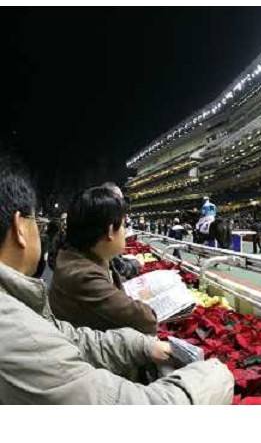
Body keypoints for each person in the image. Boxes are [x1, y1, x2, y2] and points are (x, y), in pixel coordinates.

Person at [0, 156, 233, 404]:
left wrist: (141, 346)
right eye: (35, 220)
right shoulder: (22, 326)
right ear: (20, 228)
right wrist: (217, 376)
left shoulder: (23, 307)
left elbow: (69, 336)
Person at [49, 187, 158, 334]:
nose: (125, 232)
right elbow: (146, 320)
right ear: (110, 231)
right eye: (124, 226)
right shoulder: (83, 276)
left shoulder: (80, 256)